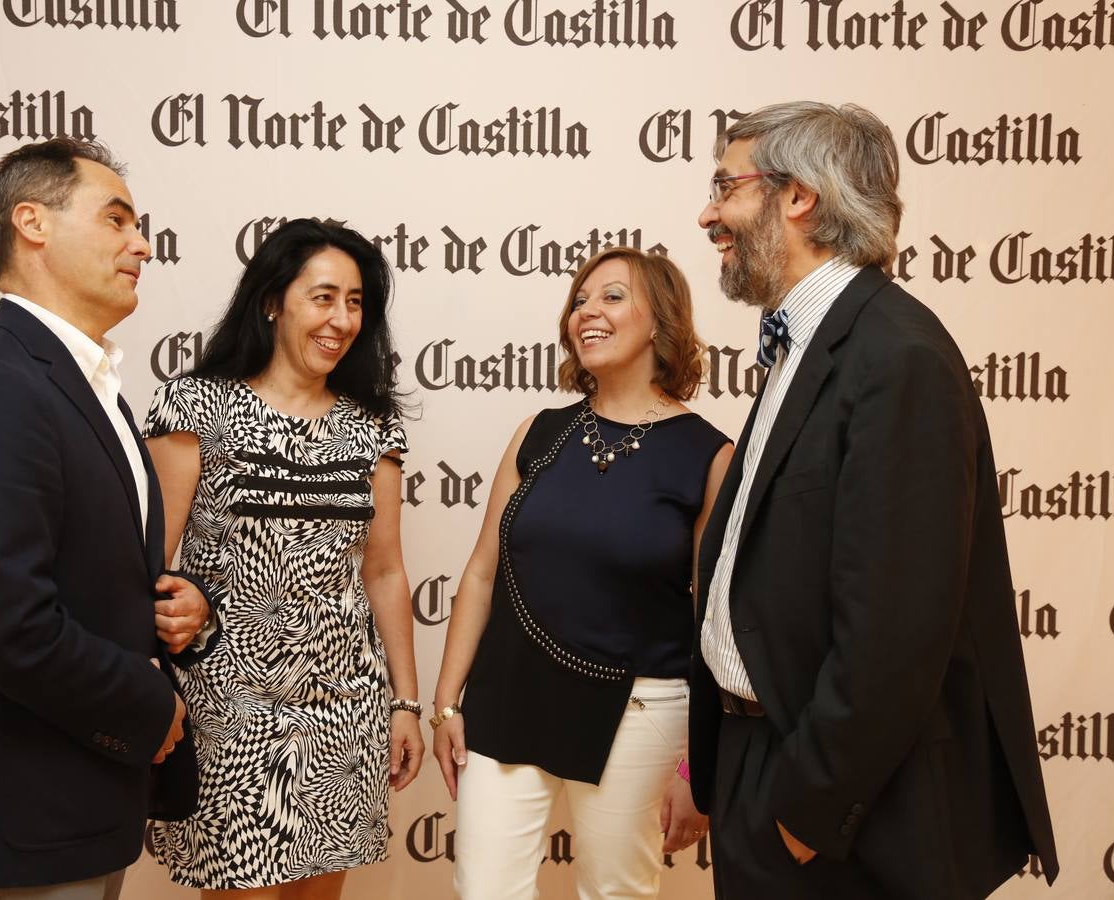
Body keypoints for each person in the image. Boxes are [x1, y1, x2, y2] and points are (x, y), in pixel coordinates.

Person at [689, 101, 1059, 899]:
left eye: (726, 187)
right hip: (765, 767)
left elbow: (896, 633)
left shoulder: (899, 358)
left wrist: (804, 813)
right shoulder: (809, 344)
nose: (707, 214)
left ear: (799, 198)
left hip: (844, 818)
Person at [0, 138, 218, 899]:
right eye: (116, 219)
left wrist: (172, 608)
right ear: (33, 223)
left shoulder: (86, 384)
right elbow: (4, 624)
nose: (141, 243)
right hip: (32, 812)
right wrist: (150, 705)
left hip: (85, 801)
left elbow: (87, 568)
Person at [430, 246, 734, 900]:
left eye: (612, 296)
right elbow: (482, 572)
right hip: (510, 693)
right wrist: (448, 701)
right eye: (579, 299)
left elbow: (715, 626)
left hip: (639, 707)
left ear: (661, 320)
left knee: (615, 893)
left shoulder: (708, 455)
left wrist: (696, 764)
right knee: (484, 891)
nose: (586, 311)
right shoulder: (538, 433)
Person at [142, 218, 423, 899]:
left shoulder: (371, 426)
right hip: (232, 710)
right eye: (324, 297)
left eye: (355, 302)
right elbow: (148, 561)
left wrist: (405, 703)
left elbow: (383, 570)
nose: (341, 319)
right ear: (272, 300)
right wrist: (143, 680)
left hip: (343, 710)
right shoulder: (196, 406)